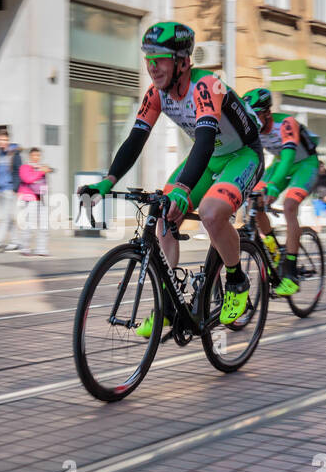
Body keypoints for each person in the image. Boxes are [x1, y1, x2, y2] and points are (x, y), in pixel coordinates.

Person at [79, 22, 264, 334]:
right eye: (148, 57)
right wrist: (107, 181)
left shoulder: (207, 86)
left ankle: (236, 280)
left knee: (210, 212)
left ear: (182, 61)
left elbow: (204, 141)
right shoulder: (156, 94)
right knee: (164, 214)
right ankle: (167, 302)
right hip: (211, 157)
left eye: (160, 57)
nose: (152, 66)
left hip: (243, 155)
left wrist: (183, 188)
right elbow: (135, 140)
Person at [242, 88, 320, 297]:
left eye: (255, 115)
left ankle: (291, 273)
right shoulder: (252, 129)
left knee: (289, 206)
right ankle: (274, 250)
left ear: (267, 112)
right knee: (253, 201)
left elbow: (287, 159)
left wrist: (273, 186)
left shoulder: (286, 124)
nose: (251, 121)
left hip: (303, 165)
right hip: (279, 164)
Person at [18, 147, 53, 257]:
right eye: (34, 155)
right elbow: (28, 179)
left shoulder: (41, 168)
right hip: (29, 199)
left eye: (38, 156)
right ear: (30, 156)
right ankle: (25, 247)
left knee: (44, 225)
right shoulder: (24, 167)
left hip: (41, 198)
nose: (36, 158)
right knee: (29, 224)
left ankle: (41, 249)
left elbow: (43, 183)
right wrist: (41, 171)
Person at [312, 160, 326, 230]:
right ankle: (318, 227)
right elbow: (314, 188)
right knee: (317, 214)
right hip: (318, 198)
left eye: (323, 166)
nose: (322, 168)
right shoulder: (315, 176)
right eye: (320, 166)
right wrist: (321, 196)